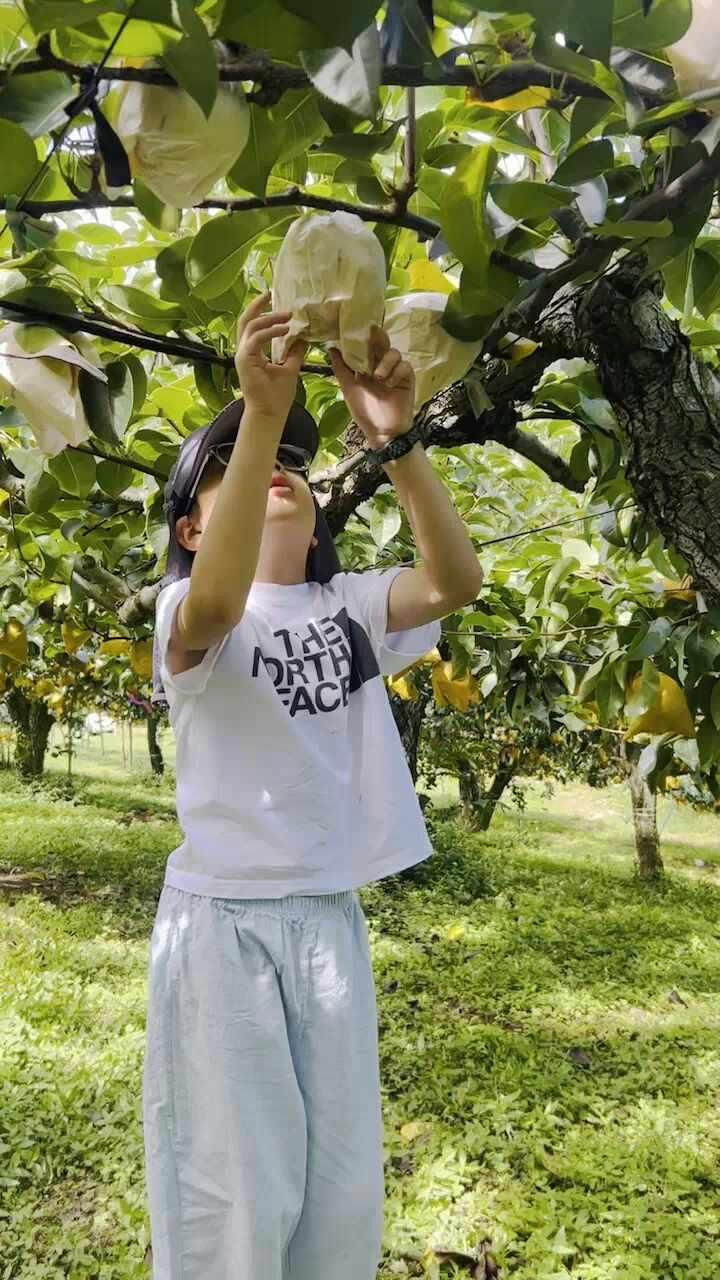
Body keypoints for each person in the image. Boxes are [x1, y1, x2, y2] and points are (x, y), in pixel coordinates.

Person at [143, 293, 483, 1280]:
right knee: (234, 1187)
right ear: (191, 524)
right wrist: (255, 411)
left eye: (294, 459)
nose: (277, 471)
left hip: (329, 920)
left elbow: (454, 578)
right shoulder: (193, 608)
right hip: (222, 928)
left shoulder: (352, 604)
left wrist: (398, 439)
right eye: (235, 471)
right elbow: (213, 596)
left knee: (338, 1188)